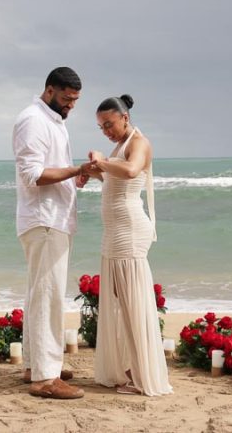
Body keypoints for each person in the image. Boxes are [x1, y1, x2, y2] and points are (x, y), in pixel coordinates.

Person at [12, 66, 94, 399]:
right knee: (47, 297)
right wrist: (76, 168)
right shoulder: (33, 120)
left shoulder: (52, 120)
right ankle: (46, 378)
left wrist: (75, 177)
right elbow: (32, 174)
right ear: (49, 90)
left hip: (51, 218)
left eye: (75, 101)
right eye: (66, 98)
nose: (71, 106)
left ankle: (36, 365)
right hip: (45, 220)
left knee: (39, 294)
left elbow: (51, 168)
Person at [85, 94, 173, 396]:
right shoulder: (119, 146)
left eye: (109, 124)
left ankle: (142, 374)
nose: (106, 131)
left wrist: (103, 162)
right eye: (101, 127)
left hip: (130, 231)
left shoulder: (139, 143)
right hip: (114, 232)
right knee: (120, 301)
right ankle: (129, 366)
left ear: (125, 117)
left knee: (134, 303)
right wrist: (92, 172)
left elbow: (133, 170)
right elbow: (115, 178)